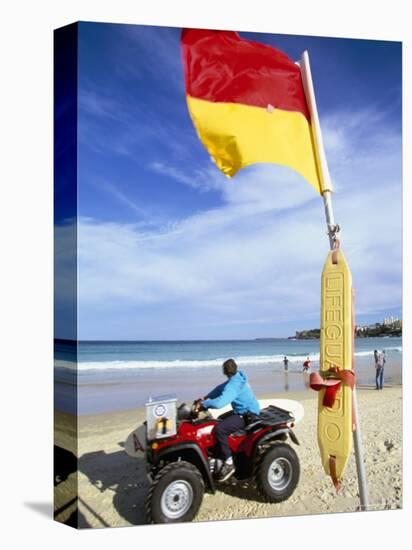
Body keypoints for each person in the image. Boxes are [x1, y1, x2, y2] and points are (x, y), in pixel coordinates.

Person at [200, 358, 260, 482]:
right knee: (219, 420)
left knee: (219, 429)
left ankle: (228, 462)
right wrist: (206, 397)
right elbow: (220, 388)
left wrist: (205, 404)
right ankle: (219, 454)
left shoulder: (234, 385)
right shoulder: (237, 378)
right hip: (243, 411)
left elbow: (219, 403)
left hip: (247, 415)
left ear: (224, 371)